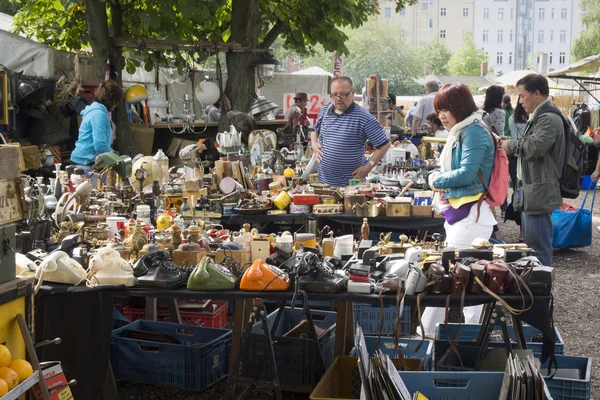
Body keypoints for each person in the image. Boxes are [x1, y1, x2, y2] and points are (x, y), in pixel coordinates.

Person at [500, 74, 565, 267]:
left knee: (539, 250)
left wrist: (509, 144)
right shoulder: (540, 117)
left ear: (536, 93)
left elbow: (533, 147)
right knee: (533, 248)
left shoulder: (548, 119)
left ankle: (542, 292)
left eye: (522, 95)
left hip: (539, 192)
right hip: (532, 191)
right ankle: (536, 292)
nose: (520, 101)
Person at [428, 83, 496, 248]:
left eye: (446, 110)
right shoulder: (463, 129)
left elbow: (466, 174)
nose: (441, 116)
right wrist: (434, 175)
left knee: (455, 267)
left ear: (460, 106)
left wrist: (435, 180)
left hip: (471, 214)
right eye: (439, 111)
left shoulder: (474, 131)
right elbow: (451, 168)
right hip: (463, 212)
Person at [311, 76, 391, 187]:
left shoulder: (364, 117)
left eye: (343, 94)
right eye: (334, 94)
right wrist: (314, 144)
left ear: (352, 93)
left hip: (350, 187)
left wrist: (367, 168)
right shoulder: (326, 109)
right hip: (323, 184)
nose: (338, 98)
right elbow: (315, 129)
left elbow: (385, 144)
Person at [71, 80, 124, 171]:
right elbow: (100, 145)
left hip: (83, 161)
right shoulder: (99, 115)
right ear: (113, 101)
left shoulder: (95, 111)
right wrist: (115, 157)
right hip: (84, 163)